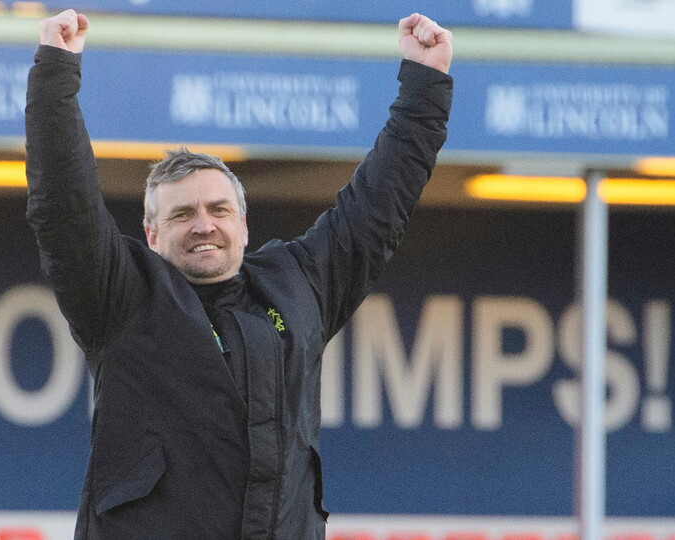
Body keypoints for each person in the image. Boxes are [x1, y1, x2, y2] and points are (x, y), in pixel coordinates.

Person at [25, 9, 453, 539]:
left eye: (218, 210)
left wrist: (425, 85)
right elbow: (63, 205)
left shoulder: (297, 285)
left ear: (244, 226)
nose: (203, 225)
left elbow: (379, 207)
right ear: (152, 234)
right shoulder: (120, 296)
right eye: (182, 214)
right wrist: (55, 76)